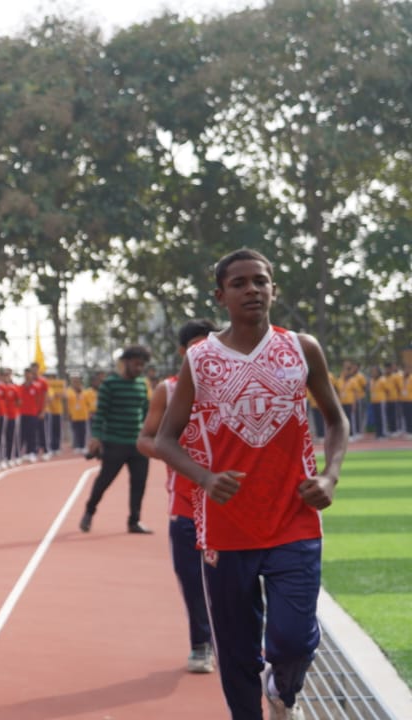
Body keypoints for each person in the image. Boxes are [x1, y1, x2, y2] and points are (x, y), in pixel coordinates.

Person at [154, 248, 349, 720]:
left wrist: (330, 475)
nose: (252, 290)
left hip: (294, 520)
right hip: (226, 526)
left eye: (260, 281)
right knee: (237, 651)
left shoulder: (302, 349)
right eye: (239, 283)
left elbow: (336, 420)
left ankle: (282, 690)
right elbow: (164, 439)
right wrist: (205, 477)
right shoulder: (200, 359)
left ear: (273, 290)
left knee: (293, 641)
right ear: (220, 296)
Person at [136, 319, 218, 675]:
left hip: (228, 503)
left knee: (235, 580)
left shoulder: (233, 384)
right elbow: (145, 439)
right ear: (183, 352)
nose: (204, 353)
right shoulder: (167, 391)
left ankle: (236, 641)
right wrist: (176, 454)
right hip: (185, 505)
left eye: (209, 345)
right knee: (191, 579)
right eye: (196, 347)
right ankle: (200, 644)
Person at [78, 344, 153, 534]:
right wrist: (96, 437)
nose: (139, 368)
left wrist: (150, 435)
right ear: (125, 363)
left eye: (142, 365)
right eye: (136, 364)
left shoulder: (142, 384)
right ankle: (89, 511)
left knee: (139, 484)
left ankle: (134, 521)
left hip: (138, 444)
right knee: (104, 481)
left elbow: (146, 412)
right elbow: (100, 414)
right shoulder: (110, 384)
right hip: (115, 442)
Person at [65, 374, 95, 453]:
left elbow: (89, 403)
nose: (76, 383)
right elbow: (67, 404)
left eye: (77, 381)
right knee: (75, 431)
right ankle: (77, 446)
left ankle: (83, 446)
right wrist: (68, 413)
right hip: (74, 415)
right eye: (74, 381)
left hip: (83, 415)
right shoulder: (69, 391)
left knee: (83, 431)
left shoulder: (85, 392)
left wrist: (90, 412)